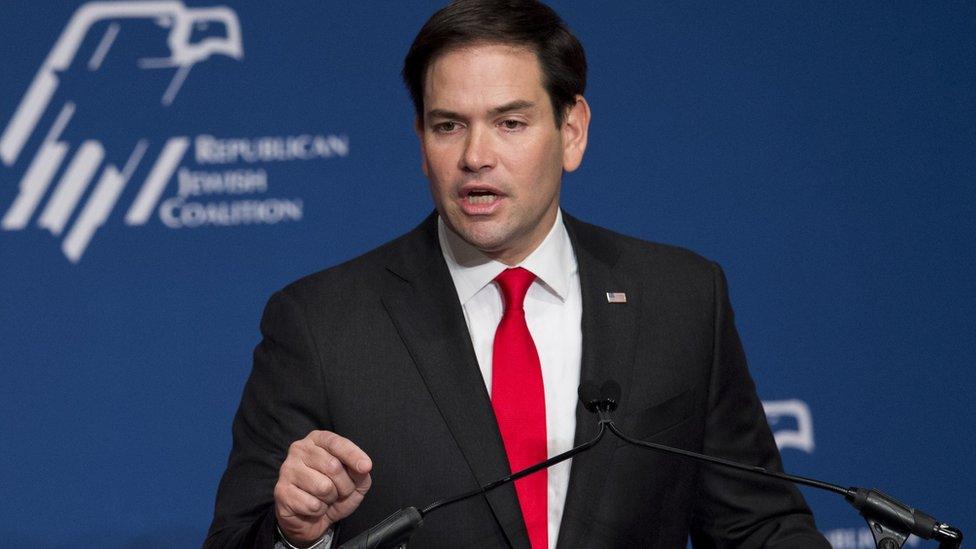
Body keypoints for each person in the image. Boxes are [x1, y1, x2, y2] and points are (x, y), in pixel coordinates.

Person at [206, 1, 830, 547]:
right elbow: (240, 538)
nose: (476, 157)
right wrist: (295, 538)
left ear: (572, 131)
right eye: (449, 126)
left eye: (510, 122)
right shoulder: (320, 324)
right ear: (421, 140)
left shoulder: (681, 299)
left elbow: (758, 528)